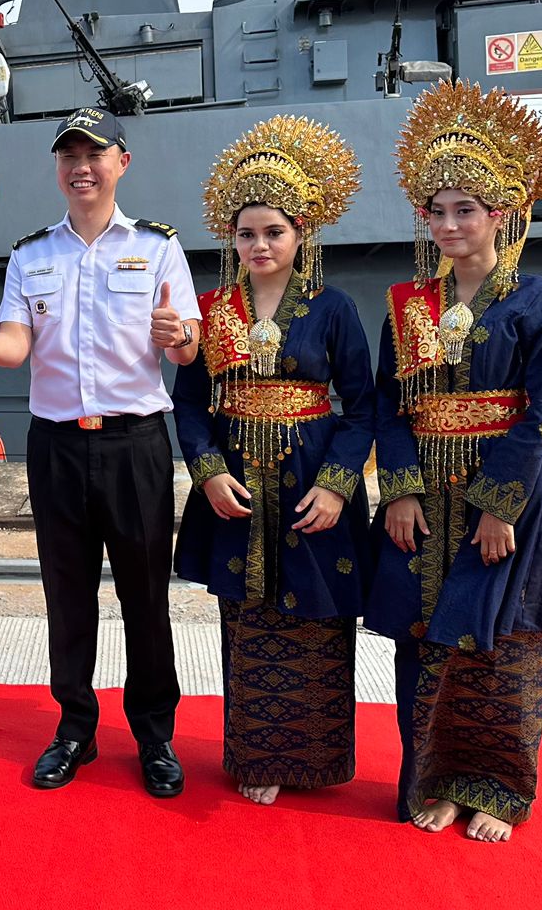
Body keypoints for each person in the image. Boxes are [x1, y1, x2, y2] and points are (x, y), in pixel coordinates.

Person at [0, 107, 200, 797]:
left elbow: (187, 348)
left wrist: (176, 335)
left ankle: (154, 735)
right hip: (58, 446)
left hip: (134, 444)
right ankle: (75, 730)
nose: (81, 166)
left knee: (144, 597)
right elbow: (15, 347)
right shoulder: (33, 254)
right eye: (69, 155)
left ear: (120, 163)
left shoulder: (160, 247)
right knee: (67, 596)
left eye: (94, 153)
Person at [364, 81, 542, 843]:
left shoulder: (535, 300)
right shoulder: (409, 305)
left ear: (500, 214)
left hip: (505, 506)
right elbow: (390, 405)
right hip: (426, 504)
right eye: (437, 211)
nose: (450, 225)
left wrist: (498, 505)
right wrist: (401, 493)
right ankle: (435, 782)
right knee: (425, 644)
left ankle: (499, 791)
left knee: (503, 645)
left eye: (466, 211)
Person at [171, 115, 374, 805]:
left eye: (273, 232)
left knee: (317, 618)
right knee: (249, 621)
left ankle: (314, 760)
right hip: (238, 483)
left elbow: (363, 404)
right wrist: (207, 470)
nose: (259, 244)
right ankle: (257, 756)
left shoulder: (334, 308)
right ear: (231, 236)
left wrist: (340, 486)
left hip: (312, 478)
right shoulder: (213, 307)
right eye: (246, 232)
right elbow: (191, 402)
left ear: (301, 235)